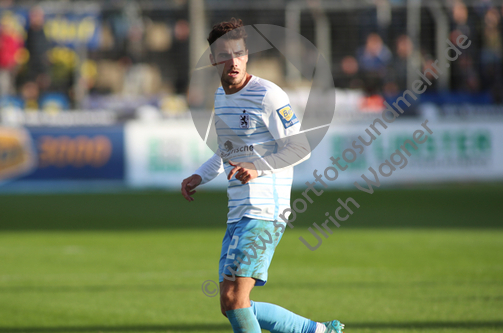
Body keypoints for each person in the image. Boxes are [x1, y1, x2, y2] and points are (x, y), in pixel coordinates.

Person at [181, 18, 344, 333]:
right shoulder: (220, 97)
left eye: (239, 53)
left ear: (247, 55)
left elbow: (302, 148)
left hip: (265, 211)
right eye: (225, 55)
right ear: (213, 58)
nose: (234, 62)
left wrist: (258, 168)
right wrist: (200, 176)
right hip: (238, 212)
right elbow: (226, 150)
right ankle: (319, 331)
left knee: (238, 298)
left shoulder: (268, 95)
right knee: (230, 303)